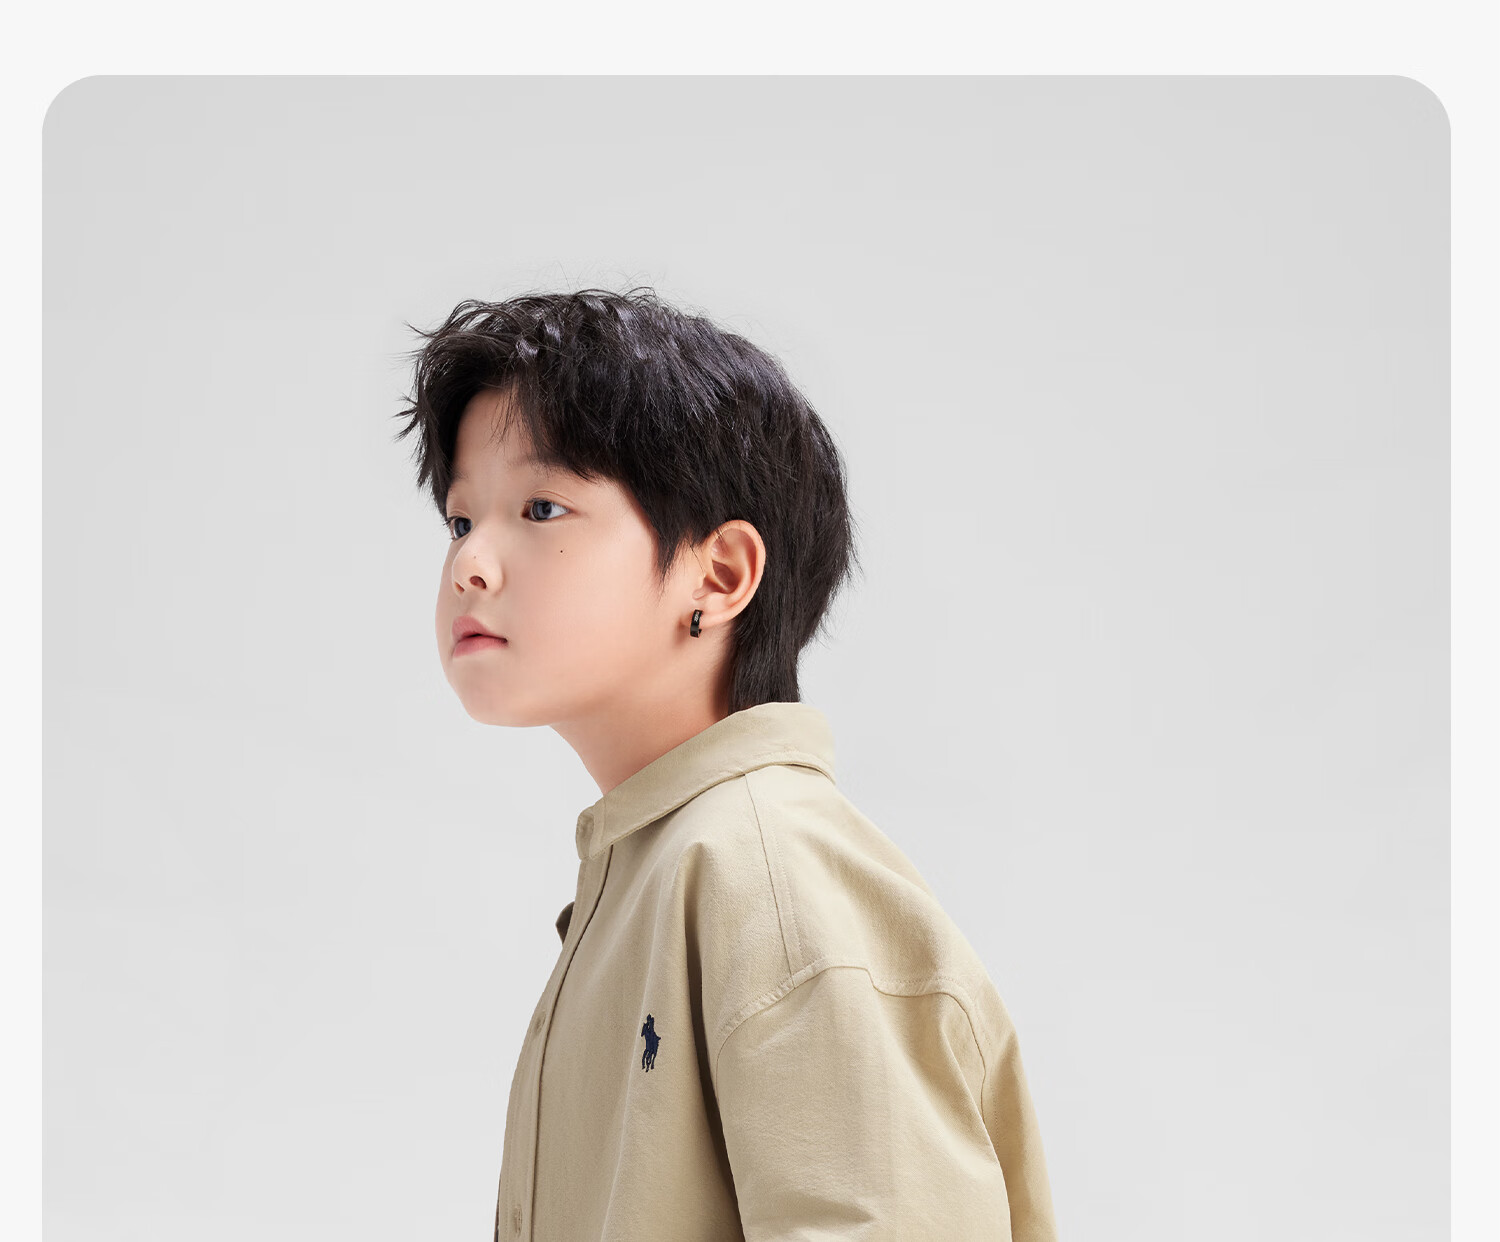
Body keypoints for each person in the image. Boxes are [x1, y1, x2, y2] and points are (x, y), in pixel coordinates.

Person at [393, 288, 1059, 1241]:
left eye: (541, 508)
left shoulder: (768, 876)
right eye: (461, 522)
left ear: (720, 574)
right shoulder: (660, 870)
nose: (470, 565)